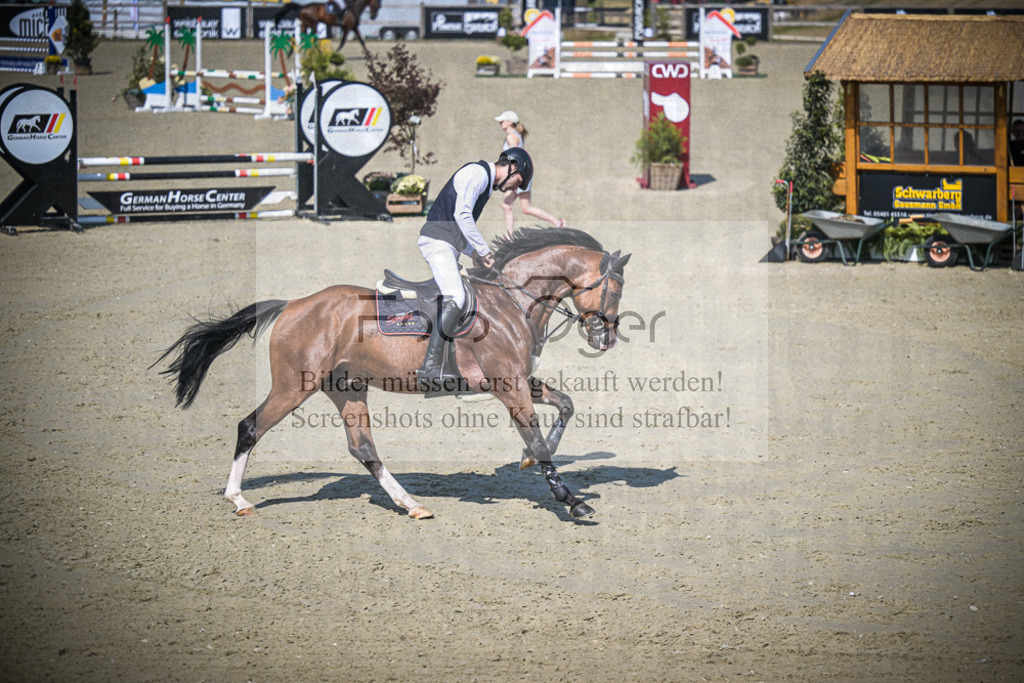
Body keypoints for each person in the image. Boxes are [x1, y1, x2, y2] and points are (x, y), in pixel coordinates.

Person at [416, 147, 533, 390]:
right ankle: (428, 368)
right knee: (456, 297)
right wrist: (484, 250)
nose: (513, 189)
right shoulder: (477, 174)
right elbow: (462, 215)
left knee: (471, 295)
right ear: (511, 167)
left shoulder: (484, 184)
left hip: (448, 243)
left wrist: (474, 255)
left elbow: (459, 227)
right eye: (517, 182)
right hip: (437, 242)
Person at [494, 110, 564, 237]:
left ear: (509, 122)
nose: (500, 123)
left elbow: (515, 157)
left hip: (518, 176)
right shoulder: (515, 135)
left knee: (506, 205)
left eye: (502, 121)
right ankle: (557, 222)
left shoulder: (511, 137)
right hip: (522, 175)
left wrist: (511, 178)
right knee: (526, 208)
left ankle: (510, 237)